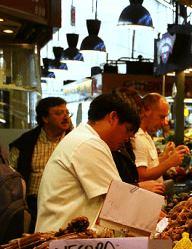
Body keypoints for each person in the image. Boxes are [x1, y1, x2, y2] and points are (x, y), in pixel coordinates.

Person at [36, 91, 141, 232]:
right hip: (64, 246)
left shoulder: (83, 138)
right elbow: (120, 200)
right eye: (127, 130)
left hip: (70, 242)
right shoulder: (88, 143)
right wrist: (163, 221)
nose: (127, 139)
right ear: (113, 117)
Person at [9, 97, 72, 232]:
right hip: (33, 205)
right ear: (45, 118)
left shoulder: (74, 141)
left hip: (66, 203)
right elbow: (12, 178)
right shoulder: (25, 143)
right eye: (59, 113)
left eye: (67, 113)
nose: (66, 117)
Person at [113, 87, 165, 194]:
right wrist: (140, 187)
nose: (130, 136)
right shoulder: (103, 148)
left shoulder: (127, 144)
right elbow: (110, 191)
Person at [132, 93, 189, 183]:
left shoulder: (145, 135)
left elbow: (151, 165)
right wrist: (170, 162)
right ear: (147, 111)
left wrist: (169, 156)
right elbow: (141, 176)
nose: (164, 122)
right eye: (161, 117)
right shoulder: (137, 137)